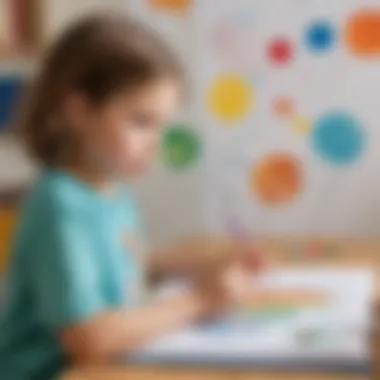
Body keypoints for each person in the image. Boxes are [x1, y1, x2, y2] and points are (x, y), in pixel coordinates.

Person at [0, 13, 262, 380]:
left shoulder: (111, 188)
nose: (156, 142)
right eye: (140, 121)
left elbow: (126, 264)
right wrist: (202, 299)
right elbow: (89, 337)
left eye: (161, 125)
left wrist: (199, 268)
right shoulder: (59, 204)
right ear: (78, 111)